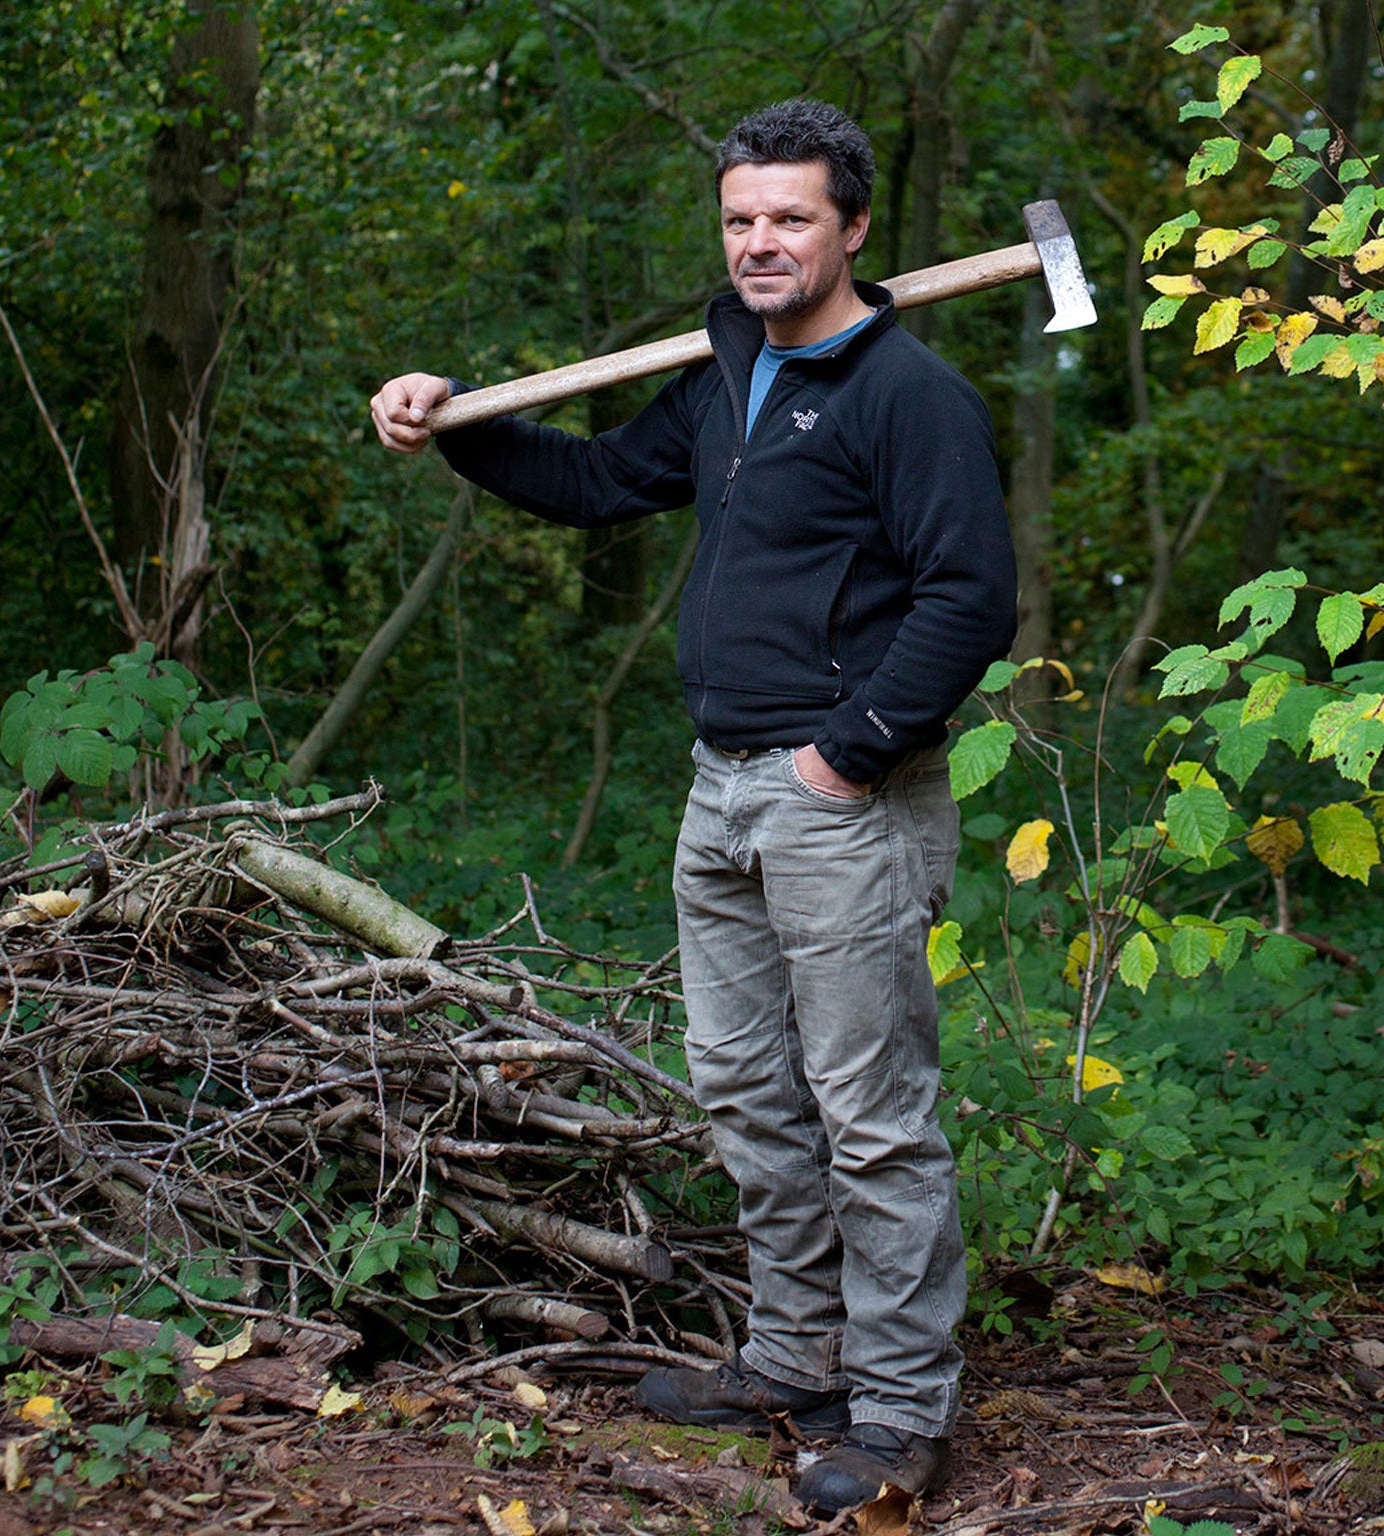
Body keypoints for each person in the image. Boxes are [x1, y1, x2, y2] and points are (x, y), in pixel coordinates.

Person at [369, 98, 1016, 1515]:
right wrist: (459, 422)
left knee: (871, 1112)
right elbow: (600, 482)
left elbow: (973, 600)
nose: (761, 242)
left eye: (791, 217)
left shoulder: (910, 398)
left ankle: (903, 1411)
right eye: (740, 219)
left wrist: (844, 756)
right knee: (745, 1085)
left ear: (853, 228)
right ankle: (797, 1352)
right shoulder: (732, 374)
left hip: (840, 799)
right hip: (719, 791)